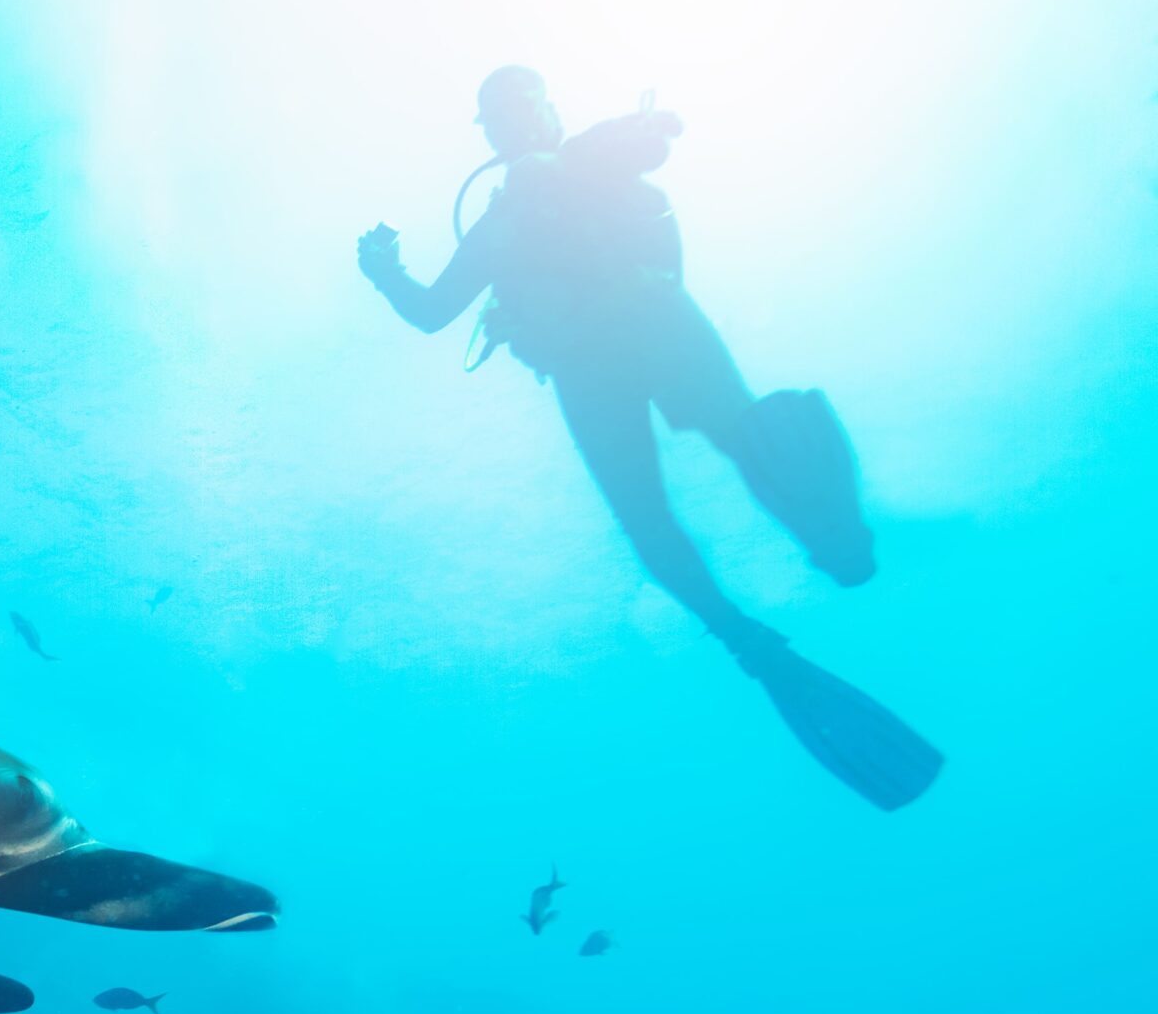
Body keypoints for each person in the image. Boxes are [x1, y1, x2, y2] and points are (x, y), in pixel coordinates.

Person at [357, 67, 940, 811]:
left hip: (616, 341)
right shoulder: (540, 194)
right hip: (632, 335)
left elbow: (436, 308)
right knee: (712, 462)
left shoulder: (564, 175)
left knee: (685, 484)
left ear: (534, 116)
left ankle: (786, 587)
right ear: (504, 127)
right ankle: (799, 571)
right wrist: (387, 272)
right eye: (502, 115)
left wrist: (384, 270)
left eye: (517, 109)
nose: (513, 126)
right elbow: (438, 310)